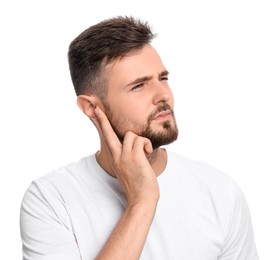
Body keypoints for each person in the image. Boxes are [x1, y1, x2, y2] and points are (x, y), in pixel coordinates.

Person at [20, 16, 259, 260]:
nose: (163, 94)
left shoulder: (219, 192)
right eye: (138, 86)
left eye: (162, 78)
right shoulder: (51, 199)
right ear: (92, 108)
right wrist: (142, 203)